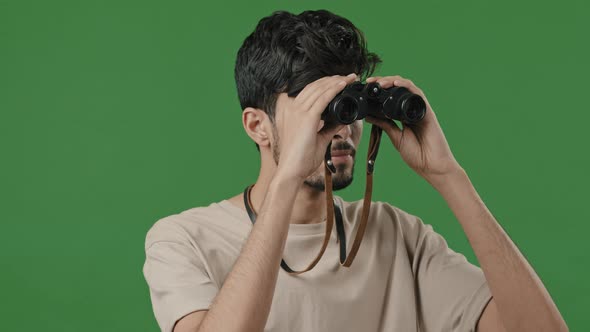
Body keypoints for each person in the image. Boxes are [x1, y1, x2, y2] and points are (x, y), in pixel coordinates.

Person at [142, 9, 568, 332]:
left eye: (349, 105)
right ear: (258, 126)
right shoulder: (185, 238)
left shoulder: (398, 236)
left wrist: (448, 176)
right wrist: (289, 174)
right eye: (319, 110)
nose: (342, 129)